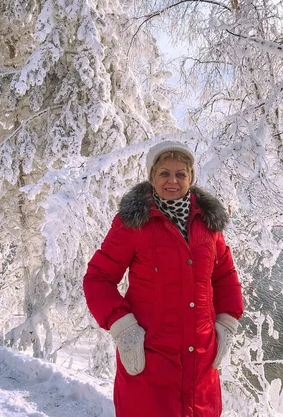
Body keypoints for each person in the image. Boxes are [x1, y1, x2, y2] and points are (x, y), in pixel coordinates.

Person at [83, 140, 244, 417]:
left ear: (191, 178)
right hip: (150, 357)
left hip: (200, 361)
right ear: (152, 178)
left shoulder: (207, 223)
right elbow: (98, 278)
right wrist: (124, 329)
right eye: (164, 174)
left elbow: (224, 275)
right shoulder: (133, 223)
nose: (173, 181)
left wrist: (226, 324)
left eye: (180, 174)